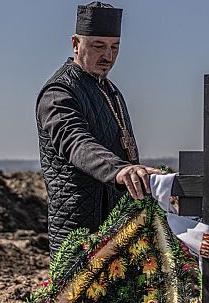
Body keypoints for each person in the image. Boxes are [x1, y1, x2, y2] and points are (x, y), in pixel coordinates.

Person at [36, 2, 163, 258]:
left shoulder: (111, 91)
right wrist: (120, 170)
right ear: (75, 43)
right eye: (98, 46)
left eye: (114, 47)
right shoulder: (59, 93)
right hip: (78, 227)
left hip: (116, 225)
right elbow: (76, 142)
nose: (108, 55)